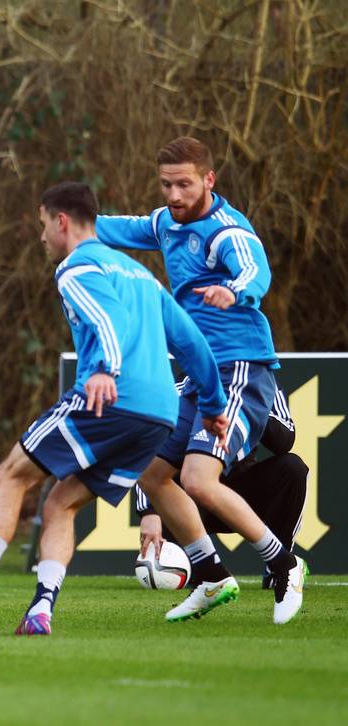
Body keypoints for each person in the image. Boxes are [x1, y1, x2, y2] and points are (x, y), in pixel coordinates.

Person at [0, 182, 228, 635]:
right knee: (62, 503)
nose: (42, 236)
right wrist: (214, 404)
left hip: (112, 396)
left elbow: (107, 321)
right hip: (159, 414)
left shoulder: (76, 267)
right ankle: (41, 610)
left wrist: (105, 366)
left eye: (44, 224)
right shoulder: (140, 274)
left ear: (61, 220)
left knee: (12, 474)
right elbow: (191, 341)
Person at [96, 137, 306, 624]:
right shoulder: (165, 223)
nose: (174, 193)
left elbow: (256, 269)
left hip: (240, 368)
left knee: (197, 478)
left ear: (209, 180)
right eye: (166, 183)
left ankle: (283, 563)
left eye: (184, 183)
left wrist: (235, 291)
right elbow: (118, 229)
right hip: (200, 372)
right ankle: (211, 576)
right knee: (150, 469)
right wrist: (75, 226)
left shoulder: (226, 231)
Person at [138, 387, 307, 589]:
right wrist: (148, 512)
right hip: (188, 498)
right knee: (178, 573)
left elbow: (284, 441)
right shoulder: (182, 390)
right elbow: (148, 450)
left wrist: (251, 409)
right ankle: (200, 566)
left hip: (240, 493)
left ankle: (280, 567)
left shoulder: (263, 388)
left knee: (292, 468)